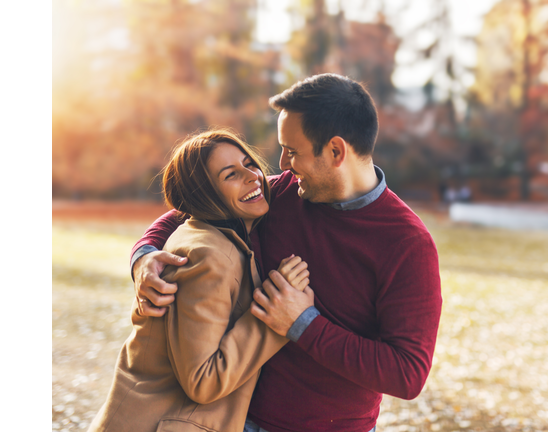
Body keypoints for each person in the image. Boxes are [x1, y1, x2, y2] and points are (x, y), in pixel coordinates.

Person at [131, 74, 443, 432]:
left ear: (336, 151)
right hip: (236, 420)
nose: (282, 163)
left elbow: (407, 373)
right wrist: (144, 256)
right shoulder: (281, 194)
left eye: (292, 151)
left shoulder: (407, 244)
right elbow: (189, 210)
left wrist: (302, 323)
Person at [89, 129, 311, 432]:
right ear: (204, 196)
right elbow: (202, 381)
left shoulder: (210, 238)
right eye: (230, 174)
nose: (253, 176)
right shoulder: (209, 257)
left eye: (249, 163)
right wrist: (276, 314)